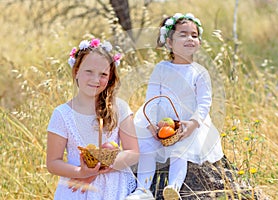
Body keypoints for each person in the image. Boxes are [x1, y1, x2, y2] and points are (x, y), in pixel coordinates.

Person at [125, 13, 224, 200]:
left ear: (199, 42)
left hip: (187, 122)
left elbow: (204, 102)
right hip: (161, 121)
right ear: (169, 42)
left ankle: (173, 188)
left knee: (181, 151)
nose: (190, 39)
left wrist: (194, 123)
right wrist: (151, 123)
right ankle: (143, 190)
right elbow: (152, 98)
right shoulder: (161, 68)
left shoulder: (200, 72)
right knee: (147, 147)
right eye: (183, 34)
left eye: (194, 35)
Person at [47, 38, 139, 200]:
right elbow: (53, 162)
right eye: (89, 71)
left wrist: (104, 166)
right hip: (77, 190)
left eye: (103, 74)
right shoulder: (62, 114)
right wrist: (81, 173)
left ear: (110, 78)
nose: (96, 80)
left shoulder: (120, 109)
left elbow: (133, 152)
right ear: (76, 71)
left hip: (114, 187)